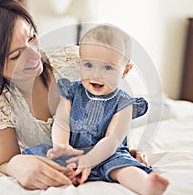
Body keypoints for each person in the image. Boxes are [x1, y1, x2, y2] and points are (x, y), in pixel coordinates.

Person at [0, 0, 149, 191]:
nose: (34, 55)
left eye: (32, 37)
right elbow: (3, 161)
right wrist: (17, 166)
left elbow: (112, 106)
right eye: (16, 55)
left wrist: (126, 148)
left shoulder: (71, 62)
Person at [23, 25, 169, 195]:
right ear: (80, 63)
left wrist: (90, 160)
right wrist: (62, 146)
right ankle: (70, 175)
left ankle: (146, 185)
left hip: (108, 153)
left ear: (125, 71)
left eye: (107, 68)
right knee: (42, 157)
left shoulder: (124, 103)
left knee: (123, 167)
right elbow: (62, 121)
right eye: (89, 65)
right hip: (74, 150)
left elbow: (113, 139)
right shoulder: (71, 92)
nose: (96, 74)